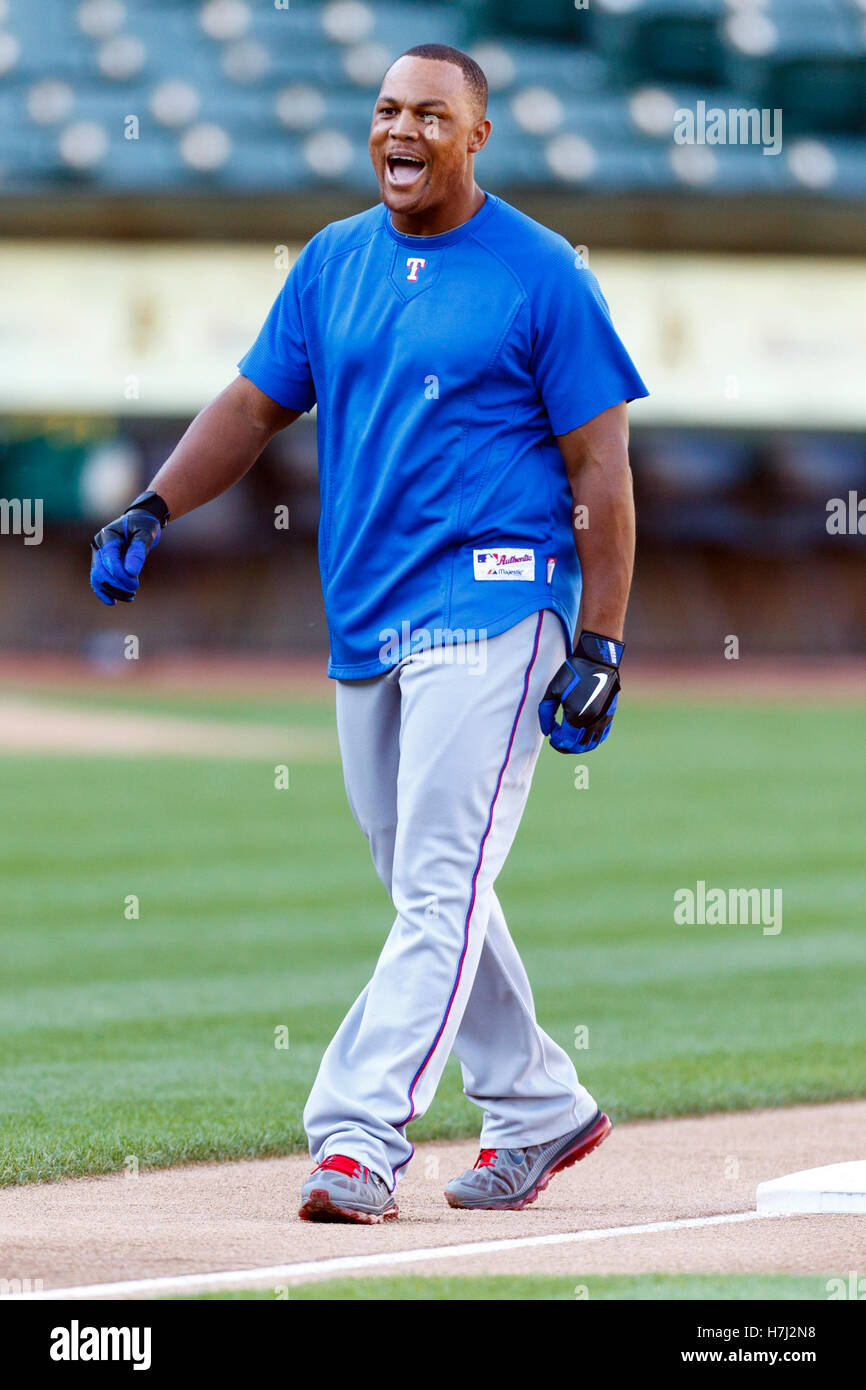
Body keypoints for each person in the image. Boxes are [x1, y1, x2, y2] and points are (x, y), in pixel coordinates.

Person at [90, 44, 648, 1224]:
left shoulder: (540, 272)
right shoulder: (334, 262)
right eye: (386, 110)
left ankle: (357, 1136)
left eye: (428, 115)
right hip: (369, 612)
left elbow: (600, 461)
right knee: (422, 882)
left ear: (475, 135)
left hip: (502, 597)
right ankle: (537, 1102)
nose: (400, 130)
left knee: (437, 879)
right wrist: (155, 504)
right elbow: (250, 405)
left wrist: (598, 639)